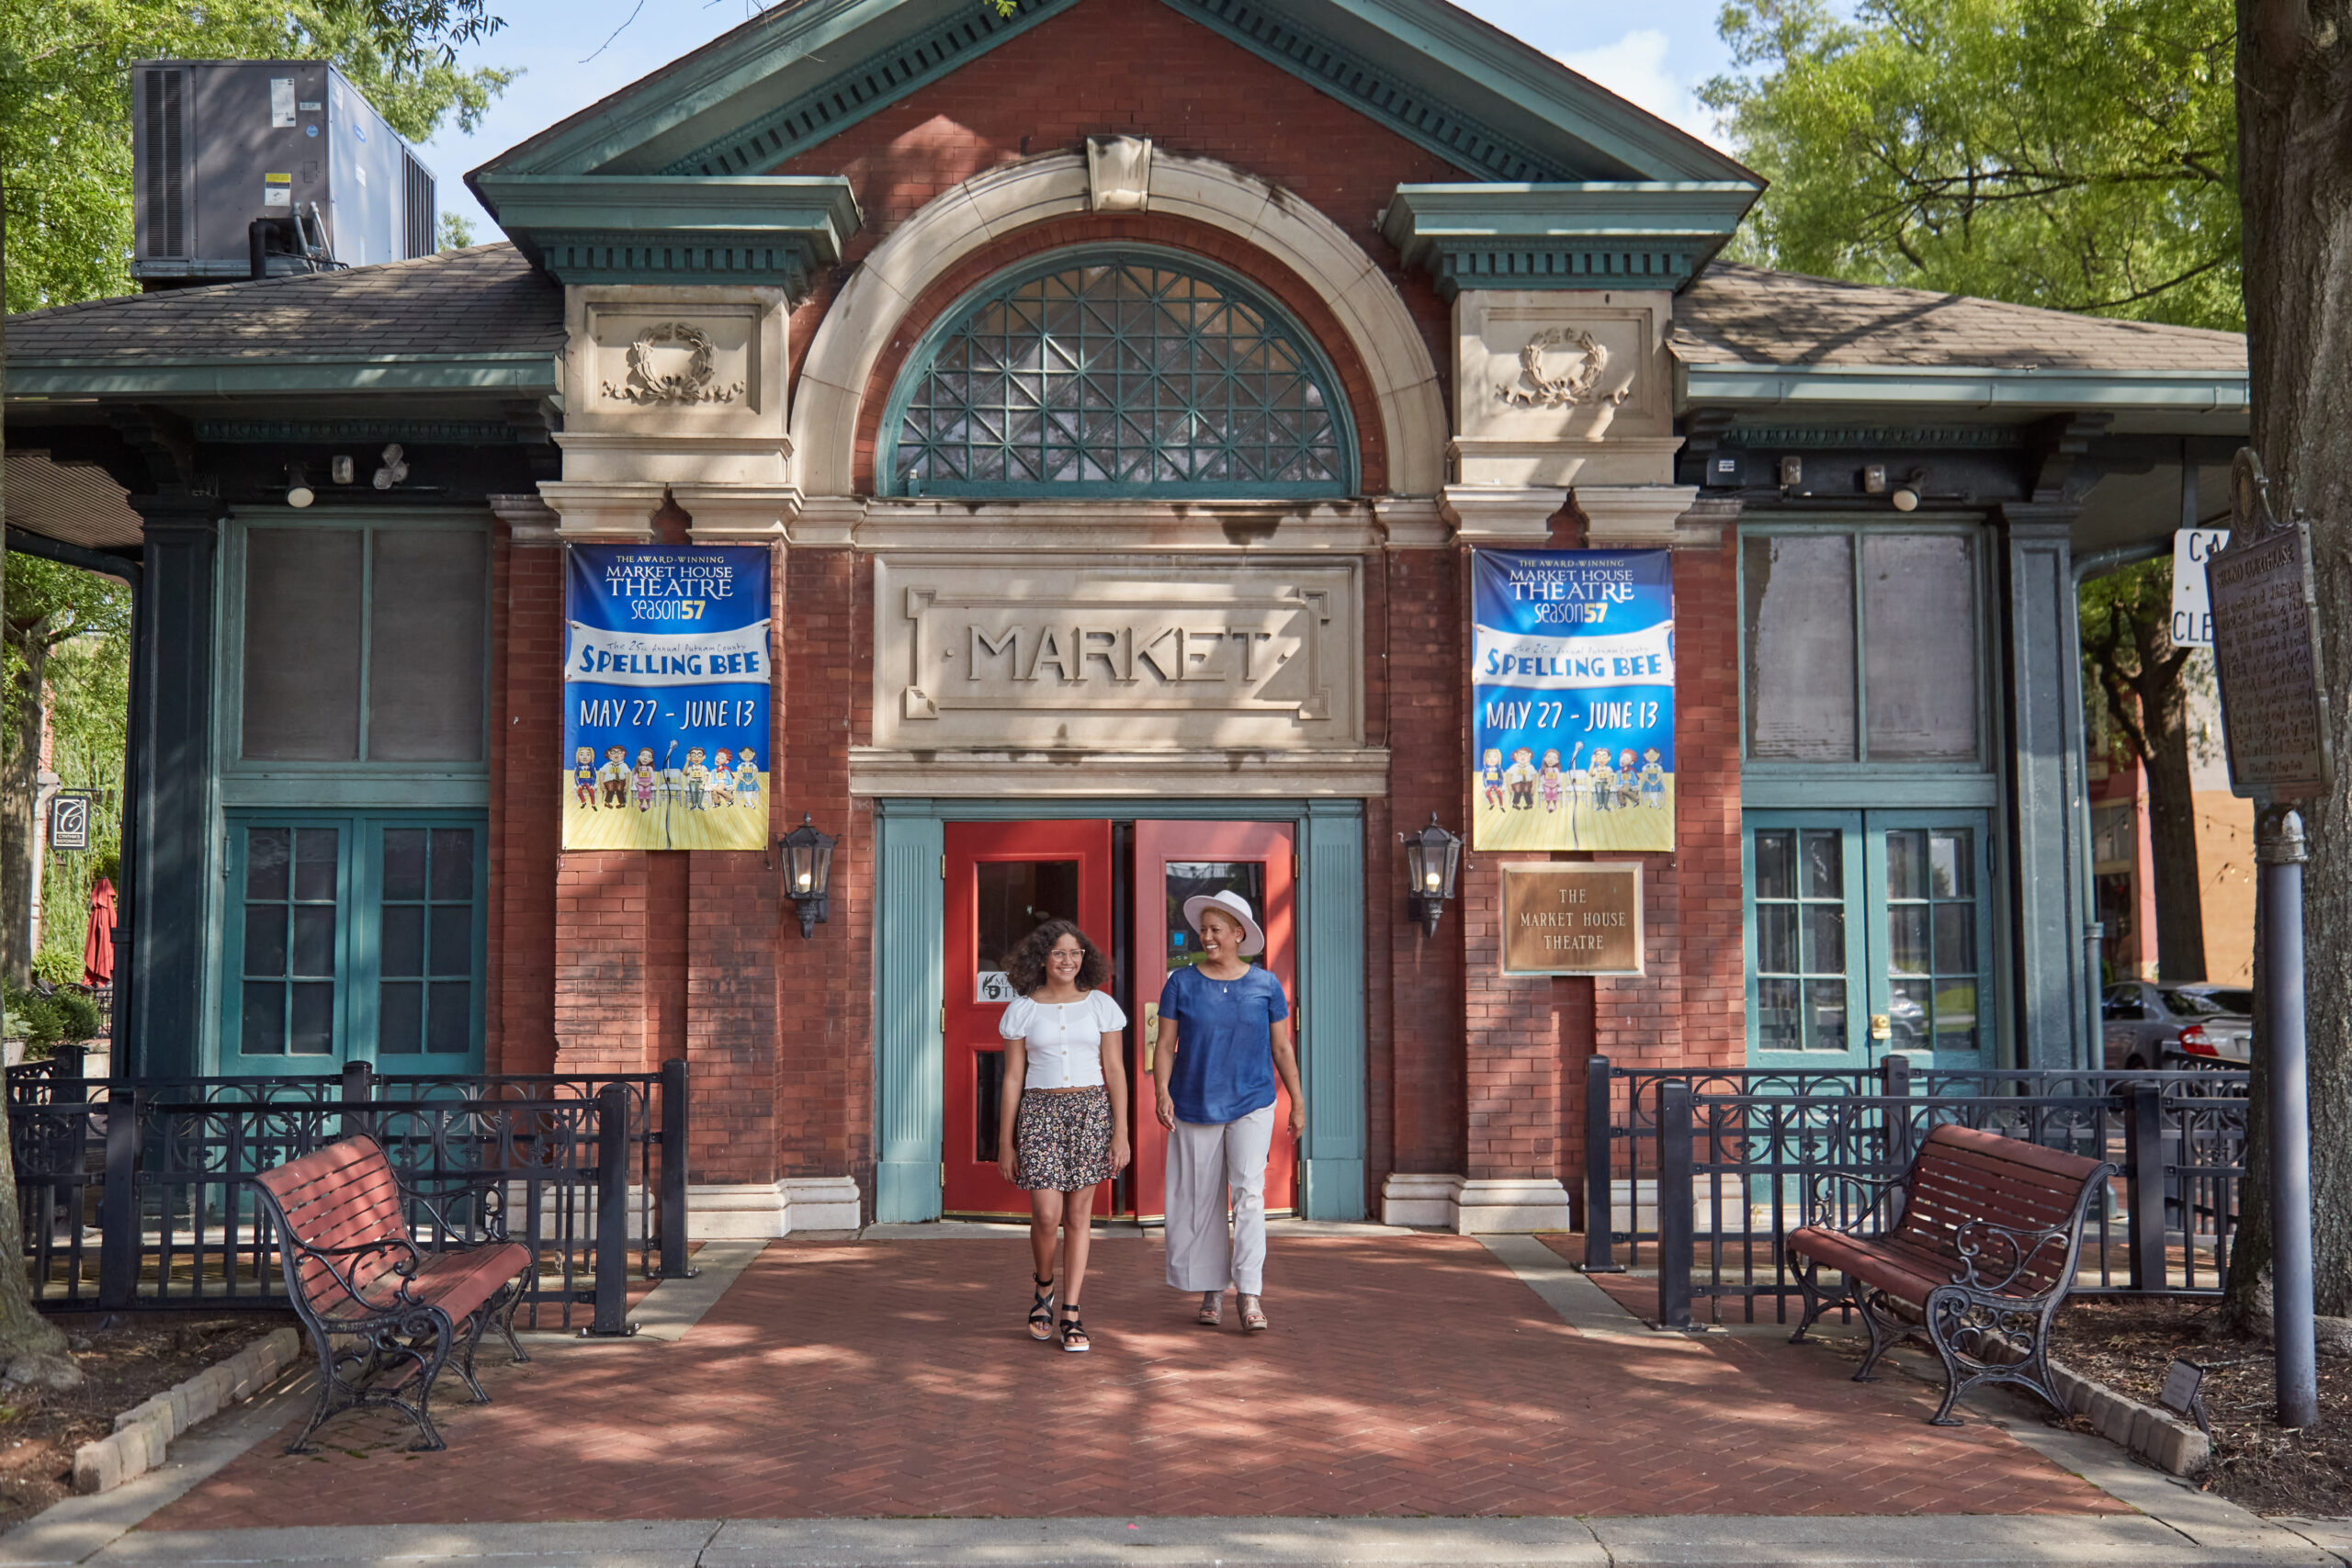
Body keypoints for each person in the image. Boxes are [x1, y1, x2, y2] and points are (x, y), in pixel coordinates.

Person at [1153, 890, 1303, 1333]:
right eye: (1204, 930)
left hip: (1252, 1102)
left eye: (1216, 929)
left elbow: (1282, 1047)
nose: (1207, 936)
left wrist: (1298, 1100)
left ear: (1238, 934)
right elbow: (1164, 1045)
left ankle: (1250, 1293)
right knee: (1201, 1199)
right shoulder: (1181, 982)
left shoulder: (1265, 985)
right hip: (1193, 1101)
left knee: (1249, 1195)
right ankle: (1211, 1287)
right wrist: (1161, 1090)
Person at [996, 919, 1130, 1353]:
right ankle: (1044, 1288)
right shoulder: (1022, 1010)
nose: (1068, 960)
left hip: (1090, 1112)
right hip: (1039, 1113)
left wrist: (1121, 1133)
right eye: (1058, 953)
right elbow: (1013, 1078)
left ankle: (1071, 1312)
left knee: (1078, 1217)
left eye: (1075, 953)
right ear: (1042, 958)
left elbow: (1116, 1073)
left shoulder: (1101, 1006)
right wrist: (1005, 1141)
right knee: (1046, 1215)